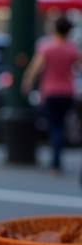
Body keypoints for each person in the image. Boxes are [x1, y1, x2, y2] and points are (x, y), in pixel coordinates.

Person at [21, 15, 80, 173]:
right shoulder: (72, 49)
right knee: (60, 125)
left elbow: (35, 68)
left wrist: (27, 82)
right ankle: (57, 158)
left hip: (50, 92)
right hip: (67, 92)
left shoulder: (47, 47)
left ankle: (55, 161)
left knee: (54, 127)